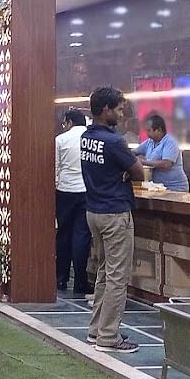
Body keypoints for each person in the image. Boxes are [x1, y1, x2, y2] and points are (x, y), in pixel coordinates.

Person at [81, 87, 145, 353]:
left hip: (93, 211)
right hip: (115, 212)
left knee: (104, 273)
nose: (121, 114)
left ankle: (96, 329)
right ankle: (109, 336)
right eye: (119, 109)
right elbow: (139, 172)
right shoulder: (114, 141)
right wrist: (128, 171)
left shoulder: (87, 137)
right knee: (118, 276)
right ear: (106, 109)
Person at [55, 109, 93, 295]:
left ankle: (60, 279)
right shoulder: (90, 138)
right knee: (82, 236)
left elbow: (56, 167)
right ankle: (80, 282)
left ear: (69, 122)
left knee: (63, 234)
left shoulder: (61, 139)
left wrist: (57, 185)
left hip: (64, 191)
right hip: (86, 192)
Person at [136, 113, 189, 192]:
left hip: (175, 188)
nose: (147, 134)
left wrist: (143, 162)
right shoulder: (150, 142)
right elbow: (135, 151)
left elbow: (166, 164)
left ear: (159, 130)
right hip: (159, 187)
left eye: (149, 130)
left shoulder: (170, 142)